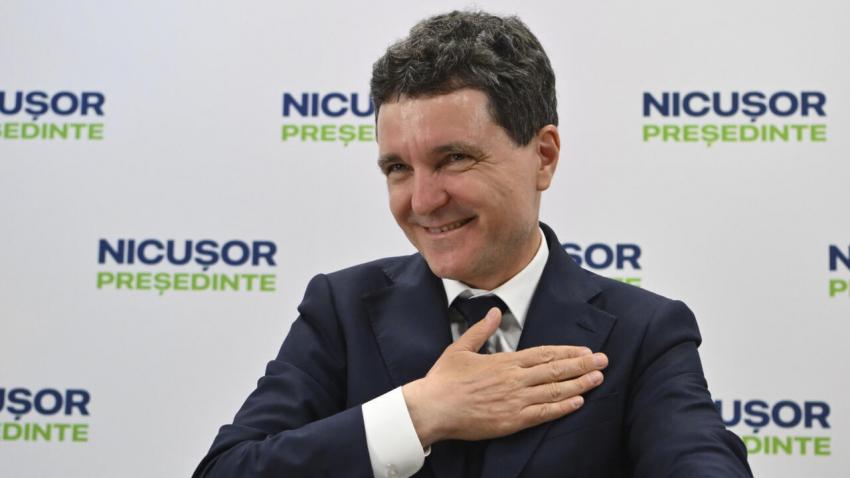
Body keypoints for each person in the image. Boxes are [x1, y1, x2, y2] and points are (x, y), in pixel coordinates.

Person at [194, 11, 752, 478]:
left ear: (543, 156)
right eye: (397, 168)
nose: (422, 200)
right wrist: (418, 414)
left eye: (454, 158)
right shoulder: (340, 310)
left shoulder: (644, 331)